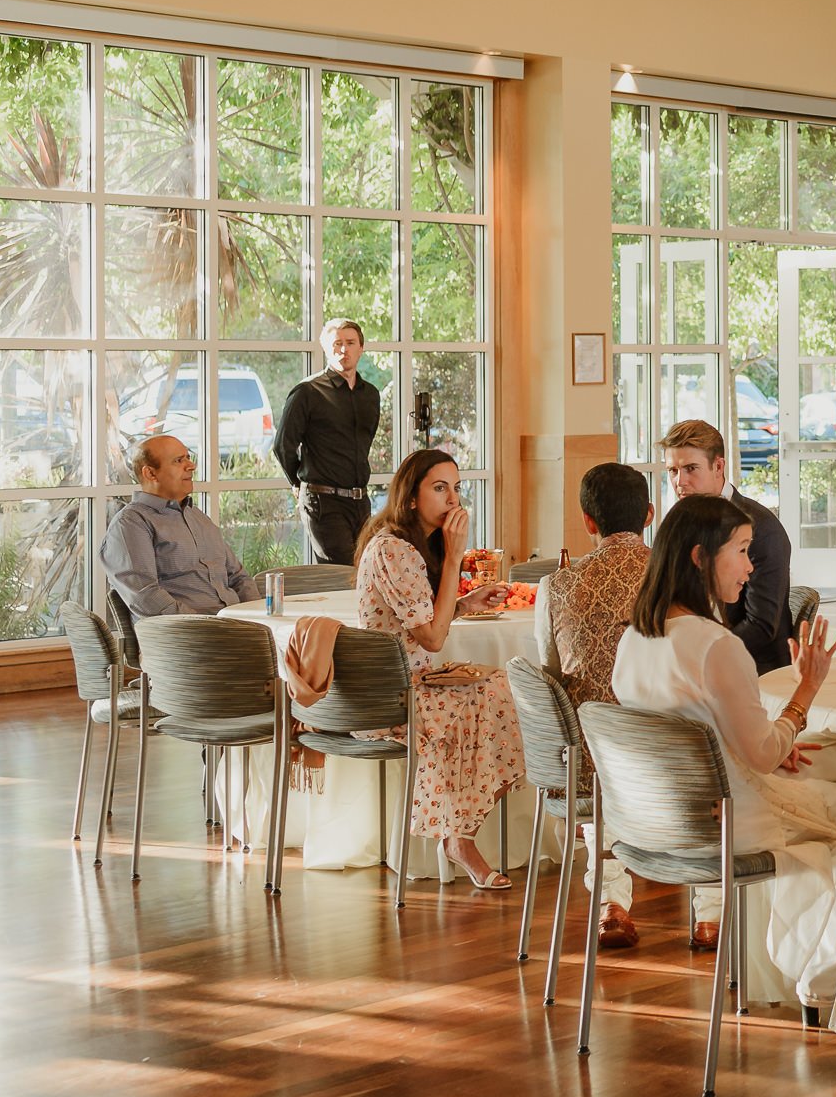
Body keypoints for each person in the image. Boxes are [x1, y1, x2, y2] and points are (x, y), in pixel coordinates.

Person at [610, 495, 836, 1021]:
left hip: (653, 823)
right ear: (699, 556)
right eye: (741, 551)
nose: (751, 567)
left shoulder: (634, 640)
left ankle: (793, 968)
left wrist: (770, 748)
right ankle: (823, 978)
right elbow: (761, 753)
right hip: (725, 824)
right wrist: (807, 691)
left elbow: (695, 735)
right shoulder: (716, 645)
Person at [351, 449, 525, 890]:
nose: (453, 498)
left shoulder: (411, 546)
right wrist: (454, 557)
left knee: (507, 693)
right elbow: (430, 638)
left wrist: (465, 602)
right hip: (390, 695)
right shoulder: (393, 549)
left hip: (416, 681)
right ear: (411, 498)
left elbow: (423, 622)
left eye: (457, 487)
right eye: (440, 487)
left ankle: (458, 833)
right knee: (489, 698)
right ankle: (458, 838)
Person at [537, 461, 652, 950]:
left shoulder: (557, 586)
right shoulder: (679, 574)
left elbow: (549, 675)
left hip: (591, 760)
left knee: (588, 739)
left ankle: (612, 904)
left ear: (587, 521)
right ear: (649, 515)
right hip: (667, 752)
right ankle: (709, 914)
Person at [659, 419, 791, 675]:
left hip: (755, 669)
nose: (680, 482)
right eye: (673, 471)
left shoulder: (761, 529)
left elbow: (761, 626)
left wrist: (699, 655)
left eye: (690, 469)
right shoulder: (681, 522)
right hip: (694, 654)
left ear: (718, 466)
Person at [100, 437, 259, 642]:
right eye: (178, 460)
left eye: (188, 458)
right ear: (150, 473)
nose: (191, 466)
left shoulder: (198, 518)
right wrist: (206, 627)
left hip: (234, 630)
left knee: (305, 643)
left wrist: (256, 618)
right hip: (184, 642)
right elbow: (147, 597)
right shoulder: (131, 524)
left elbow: (238, 577)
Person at [277, 318, 383, 564]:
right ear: (326, 348)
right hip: (323, 501)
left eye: (350, 343)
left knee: (365, 570)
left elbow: (364, 444)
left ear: (361, 348)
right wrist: (298, 482)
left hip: (360, 502)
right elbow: (283, 445)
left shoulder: (370, 395)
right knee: (341, 574)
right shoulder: (307, 392)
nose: (344, 349)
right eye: (337, 344)